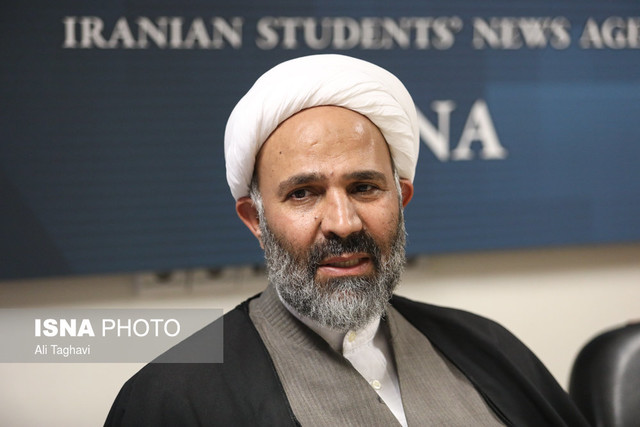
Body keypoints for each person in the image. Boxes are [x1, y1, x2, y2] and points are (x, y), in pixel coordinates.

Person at [105, 55, 588, 426]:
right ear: (255, 220)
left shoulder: (487, 348)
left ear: (401, 199)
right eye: (303, 193)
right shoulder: (174, 396)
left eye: (364, 187)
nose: (343, 223)